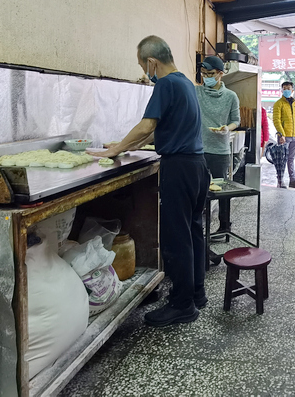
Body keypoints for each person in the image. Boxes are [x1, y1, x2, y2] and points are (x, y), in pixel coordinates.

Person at [88, 35, 210, 326]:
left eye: (144, 66)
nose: (146, 73)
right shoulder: (186, 84)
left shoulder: (166, 83)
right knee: (192, 232)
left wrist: (116, 150)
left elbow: (147, 125)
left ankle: (182, 306)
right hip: (197, 166)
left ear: (152, 62)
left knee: (175, 237)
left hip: (179, 168)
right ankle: (196, 293)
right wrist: (126, 144)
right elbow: (158, 131)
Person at [195, 55, 240, 265]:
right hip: (199, 149)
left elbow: (235, 121)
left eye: (210, 74)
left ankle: (225, 224)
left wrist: (226, 129)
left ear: (221, 74)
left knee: (222, 189)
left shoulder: (231, 96)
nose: (206, 78)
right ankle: (200, 227)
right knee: (200, 190)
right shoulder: (197, 92)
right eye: (204, 74)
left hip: (220, 149)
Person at [272, 81, 295, 188]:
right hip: (284, 137)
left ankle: (292, 180)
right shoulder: (278, 103)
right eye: (284, 88)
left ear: (292, 90)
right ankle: (280, 181)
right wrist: (281, 134)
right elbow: (276, 120)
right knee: (281, 160)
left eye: (288, 88)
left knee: (291, 159)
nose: (286, 90)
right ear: (282, 90)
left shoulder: (294, 104)